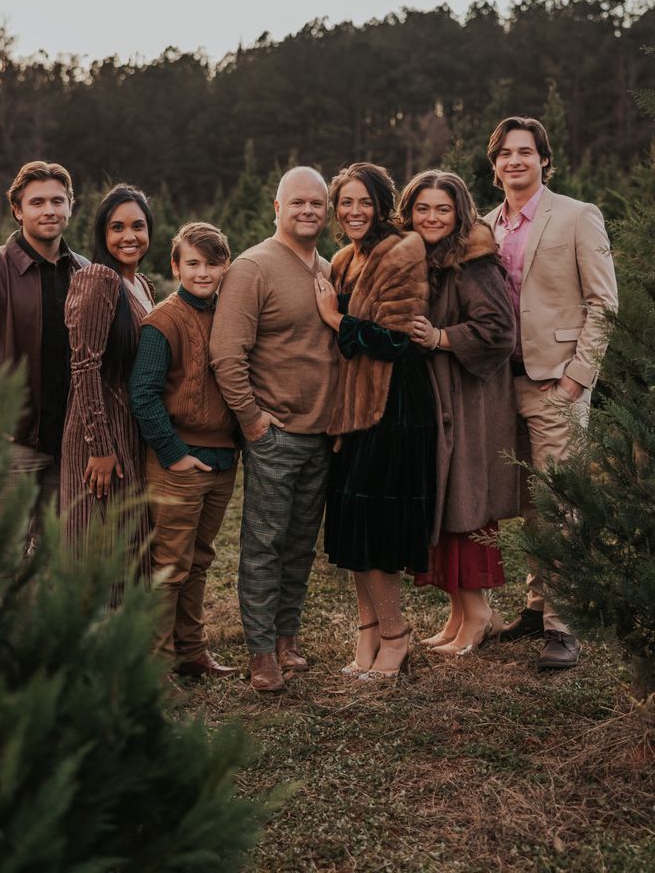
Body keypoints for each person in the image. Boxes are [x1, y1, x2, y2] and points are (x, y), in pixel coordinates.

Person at [484, 116, 618, 669]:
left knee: (560, 503)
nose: (515, 161)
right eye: (505, 154)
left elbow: (604, 304)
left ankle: (566, 628)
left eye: (526, 152)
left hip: (554, 380)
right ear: (494, 166)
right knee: (530, 503)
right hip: (500, 383)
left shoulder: (577, 216)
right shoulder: (485, 224)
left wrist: (575, 379)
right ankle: (538, 605)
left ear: (544, 159)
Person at [210, 167, 338, 692]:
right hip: (275, 435)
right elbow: (226, 353)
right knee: (264, 542)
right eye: (298, 203)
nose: (308, 211)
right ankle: (261, 652)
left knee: (301, 543)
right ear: (277, 207)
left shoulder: (329, 268)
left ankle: (288, 638)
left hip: (322, 434)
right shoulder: (253, 267)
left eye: (318, 203)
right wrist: (253, 421)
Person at [313, 162, 436, 680]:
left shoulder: (403, 251)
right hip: (350, 408)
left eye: (364, 201)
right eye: (346, 202)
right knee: (351, 522)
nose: (354, 211)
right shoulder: (343, 259)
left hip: (394, 407)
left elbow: (396, 338)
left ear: (381, 204)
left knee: (377, 525)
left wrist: (337, 319)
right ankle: (367, 632)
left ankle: (396, 635)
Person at [397, 170, 519, 655]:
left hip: (469, 401)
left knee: (466, 504)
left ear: (459, 213)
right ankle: (458, 614)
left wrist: (441, 338)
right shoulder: (418, 259)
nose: (431, 217)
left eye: (442, 209)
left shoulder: (474, 264)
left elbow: (498, 330)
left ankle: (480, 616)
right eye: (422, 208)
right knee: (444, 504)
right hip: (434, 398)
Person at [0, 160, 87, 554]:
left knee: (60, 563)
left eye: (58, 201)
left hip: (70, 450)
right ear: (17, 209)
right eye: (37, 202)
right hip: (8, 449)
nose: (49, 210)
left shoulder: (86, 274)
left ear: (71, 206)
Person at [129, 222, 238, 678]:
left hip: (222, 459)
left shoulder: (230, 314)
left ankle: (192, 651)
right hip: (179, 460)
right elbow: (143, 394)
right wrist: (173, 453)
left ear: (226, 266)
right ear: (175, 266)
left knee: (199, 559)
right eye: (192, 263)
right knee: (170, 565)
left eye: (213, 263)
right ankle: (156, 666)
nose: (203, 272)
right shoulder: (164, 322)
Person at [60, 183, 155, 583]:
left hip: (132, 430)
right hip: (100, 434)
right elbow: (84, 366)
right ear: (102, 234)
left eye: (138, 226)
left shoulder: (143, 284)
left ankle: (130, 640)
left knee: (131, 539)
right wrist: (98, 448)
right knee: (99, 542)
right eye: (117, 228)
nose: (129, 236)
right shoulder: (98, 278)